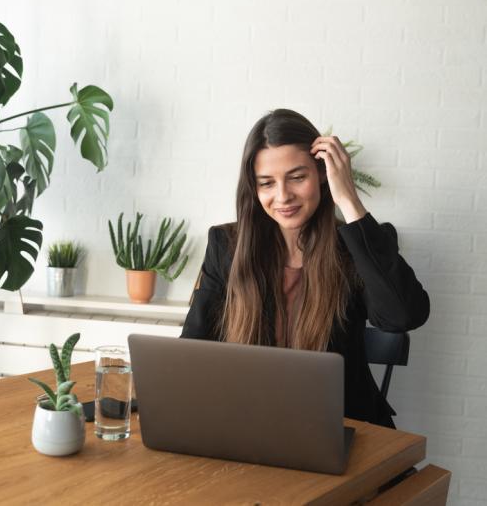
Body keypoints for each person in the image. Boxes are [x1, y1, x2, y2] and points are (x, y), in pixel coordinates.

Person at [181, 108, 429, 428]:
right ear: (253, 190)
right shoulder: (225, 245)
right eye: (267, 183)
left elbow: (403, 316)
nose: (283, 196)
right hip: (249, 426)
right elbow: (191, 351)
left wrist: (349, 199)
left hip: (341, 428)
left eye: (298, 177)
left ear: (323, 174)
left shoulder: (356, 246)